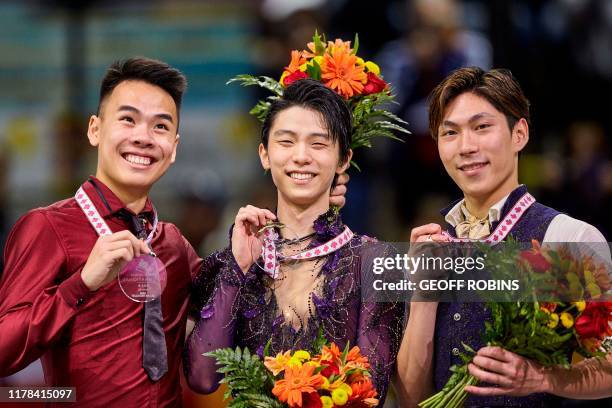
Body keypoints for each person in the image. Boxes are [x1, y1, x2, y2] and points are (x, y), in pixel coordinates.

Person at [0, 57, 349, 406]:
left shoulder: (170, 243)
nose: (143, 138)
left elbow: (235, 318)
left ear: (174, 148)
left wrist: (313, 209)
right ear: (95, 129)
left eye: (160, 127)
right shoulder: (47, 227)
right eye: (127, 119)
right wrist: (81, 284)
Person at [394, 67, 612, 407]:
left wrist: (542, 378)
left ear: (519, 134)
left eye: (482, 127)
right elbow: (411, 399)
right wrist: (423, 296)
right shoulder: (431, 245)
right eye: (449, 133)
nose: (466, 146)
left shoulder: (568, 237)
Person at [184, 79, 404, 404]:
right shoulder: (229, 263)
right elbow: (201, 378)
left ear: (343, 159)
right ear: (264, 154)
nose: (300, 156)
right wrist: (237, 269)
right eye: (286, 141)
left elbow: (370, 391)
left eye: (318, 144)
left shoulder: (375, 262)